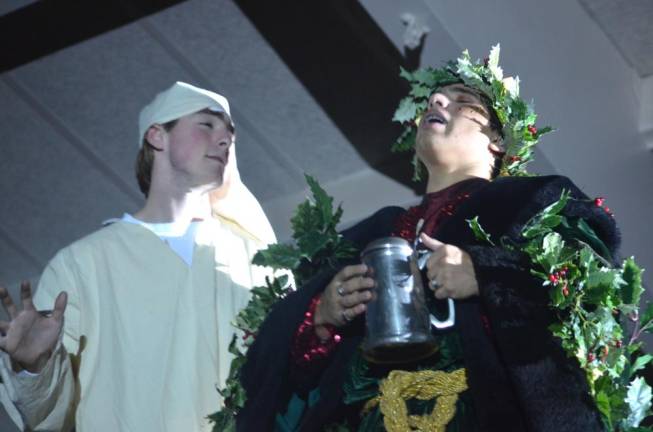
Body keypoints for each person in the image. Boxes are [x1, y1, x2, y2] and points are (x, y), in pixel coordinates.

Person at [236, 46, 619, 431]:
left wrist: (484, 276)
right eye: (437, 98)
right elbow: (285, 381)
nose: (436, 99)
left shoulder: (534, 203)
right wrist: (320, 317)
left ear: (498, 142)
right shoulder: (368, 235)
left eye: (464, 101)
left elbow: (588, 291)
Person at [0, 81, 276, 431]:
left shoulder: (256, 258)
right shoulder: (83, 265)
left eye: (229, 133)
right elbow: (46, 417)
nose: (224, 139)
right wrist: (34, 367)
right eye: (207, 124)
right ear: (157, 136)